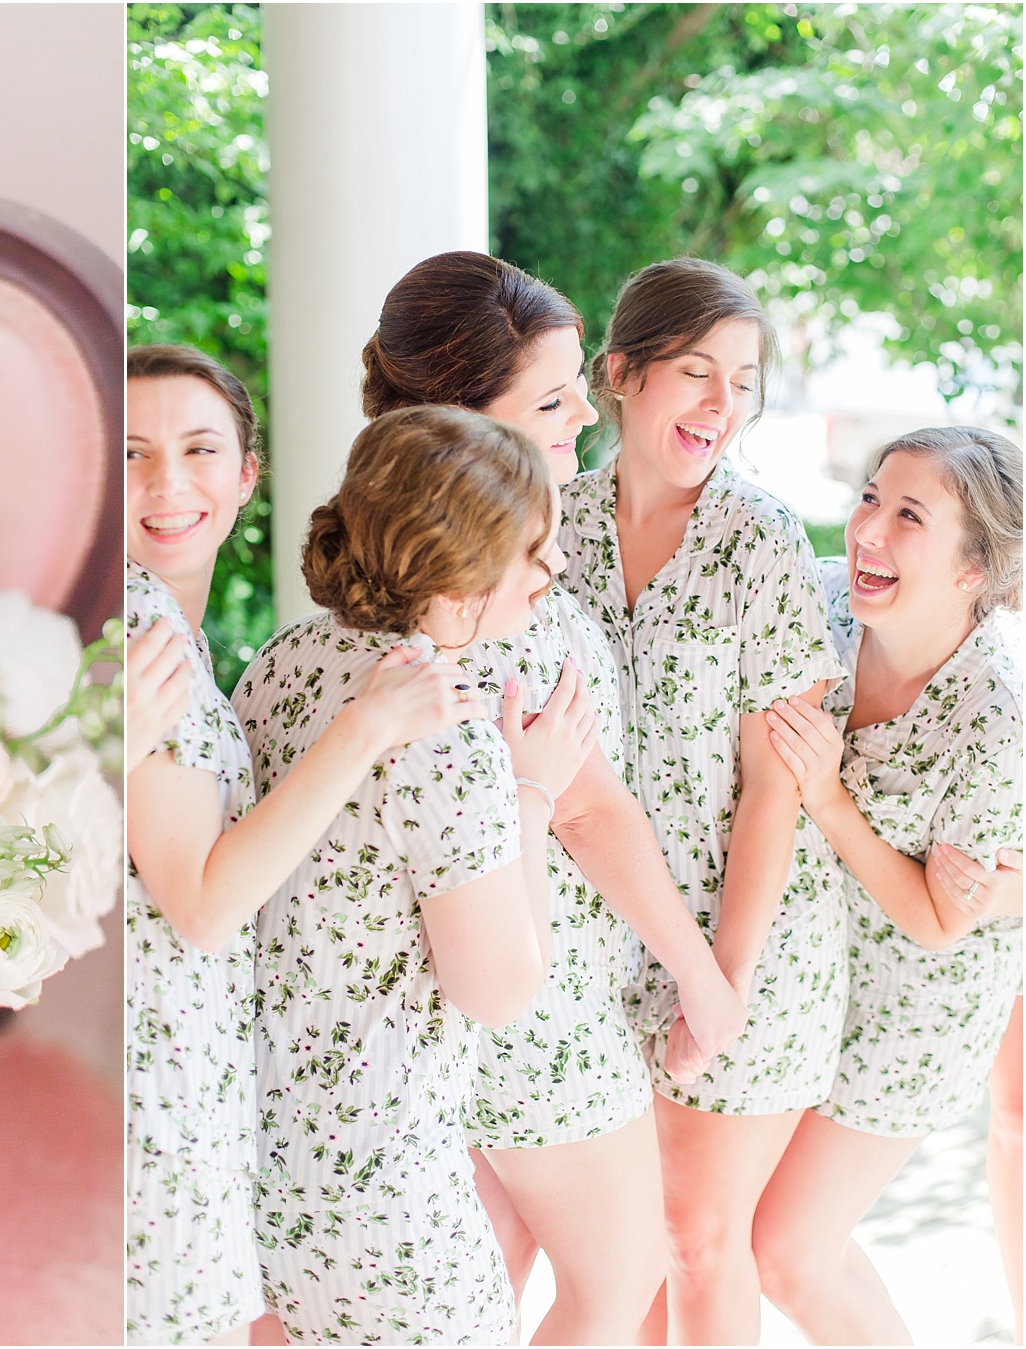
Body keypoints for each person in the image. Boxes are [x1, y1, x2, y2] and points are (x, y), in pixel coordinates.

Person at [361, 251, 749, 1343]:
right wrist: (703, 975)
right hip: (544, 1005)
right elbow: (591, 811)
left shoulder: (402, 561)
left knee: (503, 1278)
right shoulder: (501, 596)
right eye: (551, 396)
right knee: (617, 1281)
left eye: (580, 379)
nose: (585, 409)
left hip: (466, 1003)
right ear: (463, 420)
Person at [122, 345, 479, 1346]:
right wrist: (366, 727)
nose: (166, 483)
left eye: (198, 449)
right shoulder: (138, 622)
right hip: (154, 1095)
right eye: (134, 454)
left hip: (188, 1085)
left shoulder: (181, 642)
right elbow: (201, 901)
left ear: (248, 473)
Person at [233, 403, 597, 1344]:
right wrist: (533, 790)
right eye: (534, 551)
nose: (554, 571)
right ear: (458, 575)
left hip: (261, 1165)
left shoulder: (283, 662)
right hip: (386, 1193)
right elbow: (501, 987)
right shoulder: (443, 723)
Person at [557, 257, 848, 1344]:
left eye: (744, 378)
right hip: (607, 945)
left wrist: (719, 974)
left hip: (752, 941)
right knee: (628, 1245)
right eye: (696, 371)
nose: (723, 404)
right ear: (623, 373)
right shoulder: (551, 528)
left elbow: (777, 780)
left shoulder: (760, 541)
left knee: (695, 1234)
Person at [748, 426, 1022, 1343]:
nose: (868, 527)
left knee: (786, 1250)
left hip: (911, 1015)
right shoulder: (818, 604)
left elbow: (941, 919)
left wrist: (828, 800)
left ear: (975, 567)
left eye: (910, 515)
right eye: (871, 496)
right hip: (794, 977)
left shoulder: (991, 718)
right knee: (736, 1226)